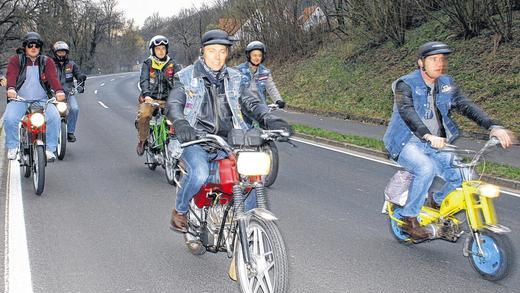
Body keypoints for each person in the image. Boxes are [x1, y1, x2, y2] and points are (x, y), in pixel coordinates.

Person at [383, 41, 515, 240]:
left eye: (443, 59)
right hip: (405, 143)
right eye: (434, 59)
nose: (440, 63)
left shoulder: (446, 84)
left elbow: (466, 106)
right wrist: (427, 135)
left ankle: (436, 202)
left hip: (438, 143)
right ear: (421, 62)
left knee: (466, 176)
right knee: (425, 168)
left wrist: (493, 126)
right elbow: (407, 111)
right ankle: (409, 218)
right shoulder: (405, 84)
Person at [167, 29, 292, 232]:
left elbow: (251, 102)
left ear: (227, 54)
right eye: (212, 51)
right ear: (202, 52)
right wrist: (181, 123)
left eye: (222, 51)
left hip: (228, 141)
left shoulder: (235, 78)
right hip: (195, 140)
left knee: (250, 176)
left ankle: (249, 230)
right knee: (199, 173)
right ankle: (179, 211)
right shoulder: (186, 77)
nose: (217, 57)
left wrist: (269, 119)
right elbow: (174, 103)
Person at [4, 32, 65, 161]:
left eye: (36, 45)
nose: (33, 48)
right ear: (25, 47)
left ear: (40, 48)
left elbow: (52, 77)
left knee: (55, 117)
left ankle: (50, 149)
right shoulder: (16, 60)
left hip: (42, 100)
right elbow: (12, 75)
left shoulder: (46, 61)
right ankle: (13, 146)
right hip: (20, 99)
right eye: (30, 45)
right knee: (9, 118)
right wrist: (11, 89)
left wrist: (59, 91)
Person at [136, 35, 180, 155]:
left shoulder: (173, 64)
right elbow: (144, 80)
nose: (161, 51)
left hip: (168, 100)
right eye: (158, 48)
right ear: (153, 50)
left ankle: (177, 144)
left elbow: (181, 81)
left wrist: (187, 91)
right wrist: (147, 95)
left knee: (180, 118)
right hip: (151, 99)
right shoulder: (148, 63)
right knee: (144, 115)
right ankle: (142, 140)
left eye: (163, 48)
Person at [52, 41, 87, 142]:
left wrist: (81, 78)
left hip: (68, 93)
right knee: (47, 113)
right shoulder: (50, 64)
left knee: (75, 109)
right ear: (55, 53)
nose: (61, 54)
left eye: (63, 52)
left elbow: (78, 74)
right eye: (59, 52)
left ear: (66, 53)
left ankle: (70, 132)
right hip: (53, 94)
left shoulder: (71, 64)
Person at [237, 41, 285, 110]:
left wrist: (278, 100)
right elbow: (233, 88)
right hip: (243, 108)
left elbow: (271, 87)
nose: (257, 58)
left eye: (259, 55)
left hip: (260, 109)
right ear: (249, 55)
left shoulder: (265, 72)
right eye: (254, 55)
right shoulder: (239, 70)